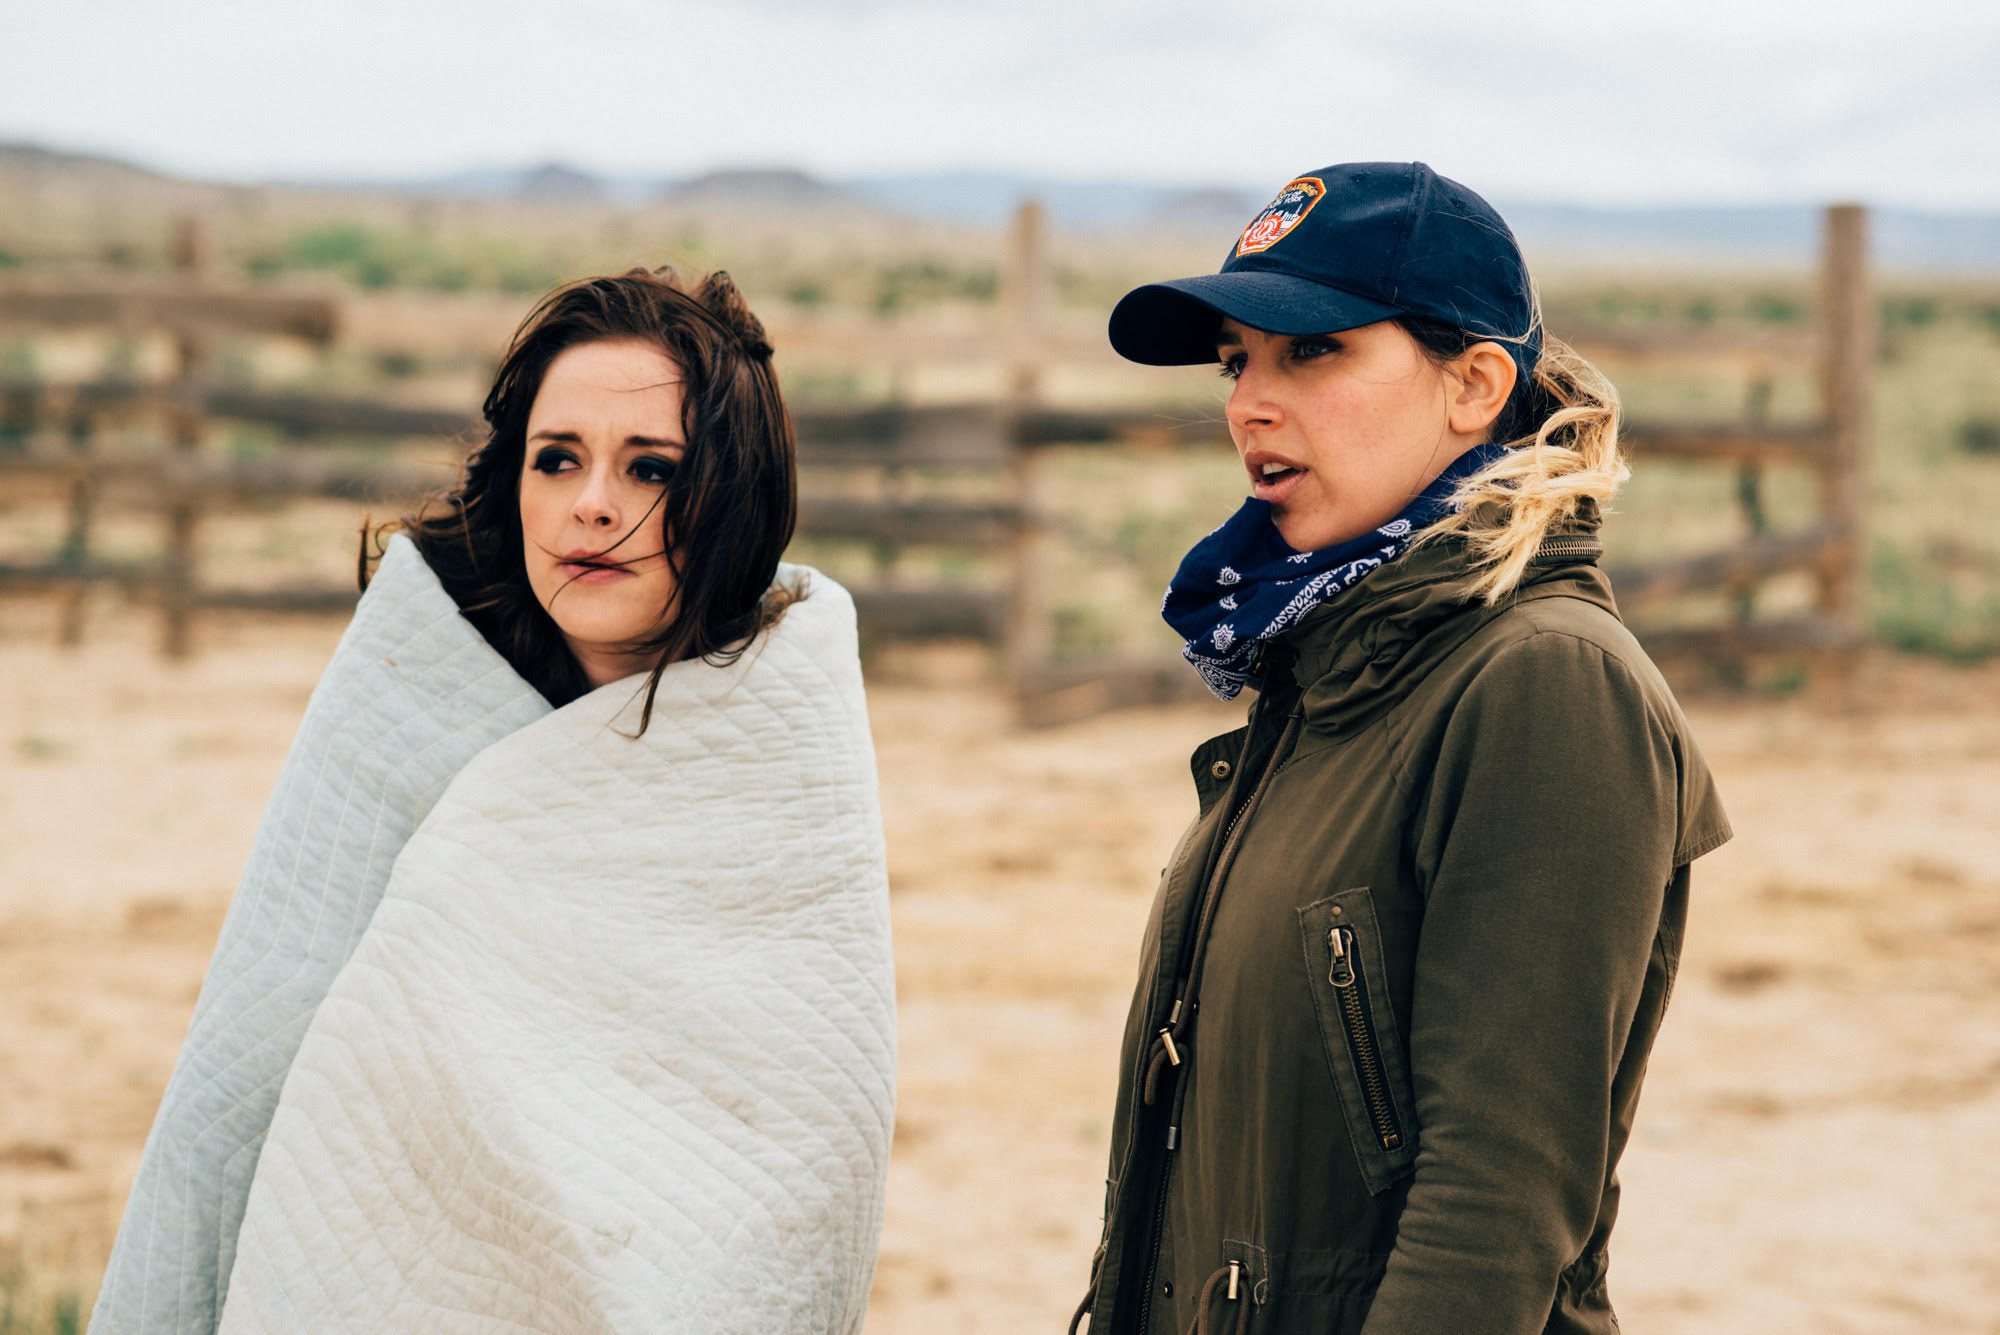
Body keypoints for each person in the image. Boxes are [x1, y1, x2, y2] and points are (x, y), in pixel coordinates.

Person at [93, 269, 896, 1335]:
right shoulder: (405, 702)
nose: (590, 503)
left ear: (732, 498)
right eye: (555, 458)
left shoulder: (781, 753)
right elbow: (238, 1089)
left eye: (649, 468)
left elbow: (799, 1172)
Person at [1069, 163, 1731, 1335]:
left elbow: (1495, 1204)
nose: (1248, 404)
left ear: (1474, 383)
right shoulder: (1325, 664)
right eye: (1236, 362)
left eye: (1309, 351)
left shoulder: (1541, 684)